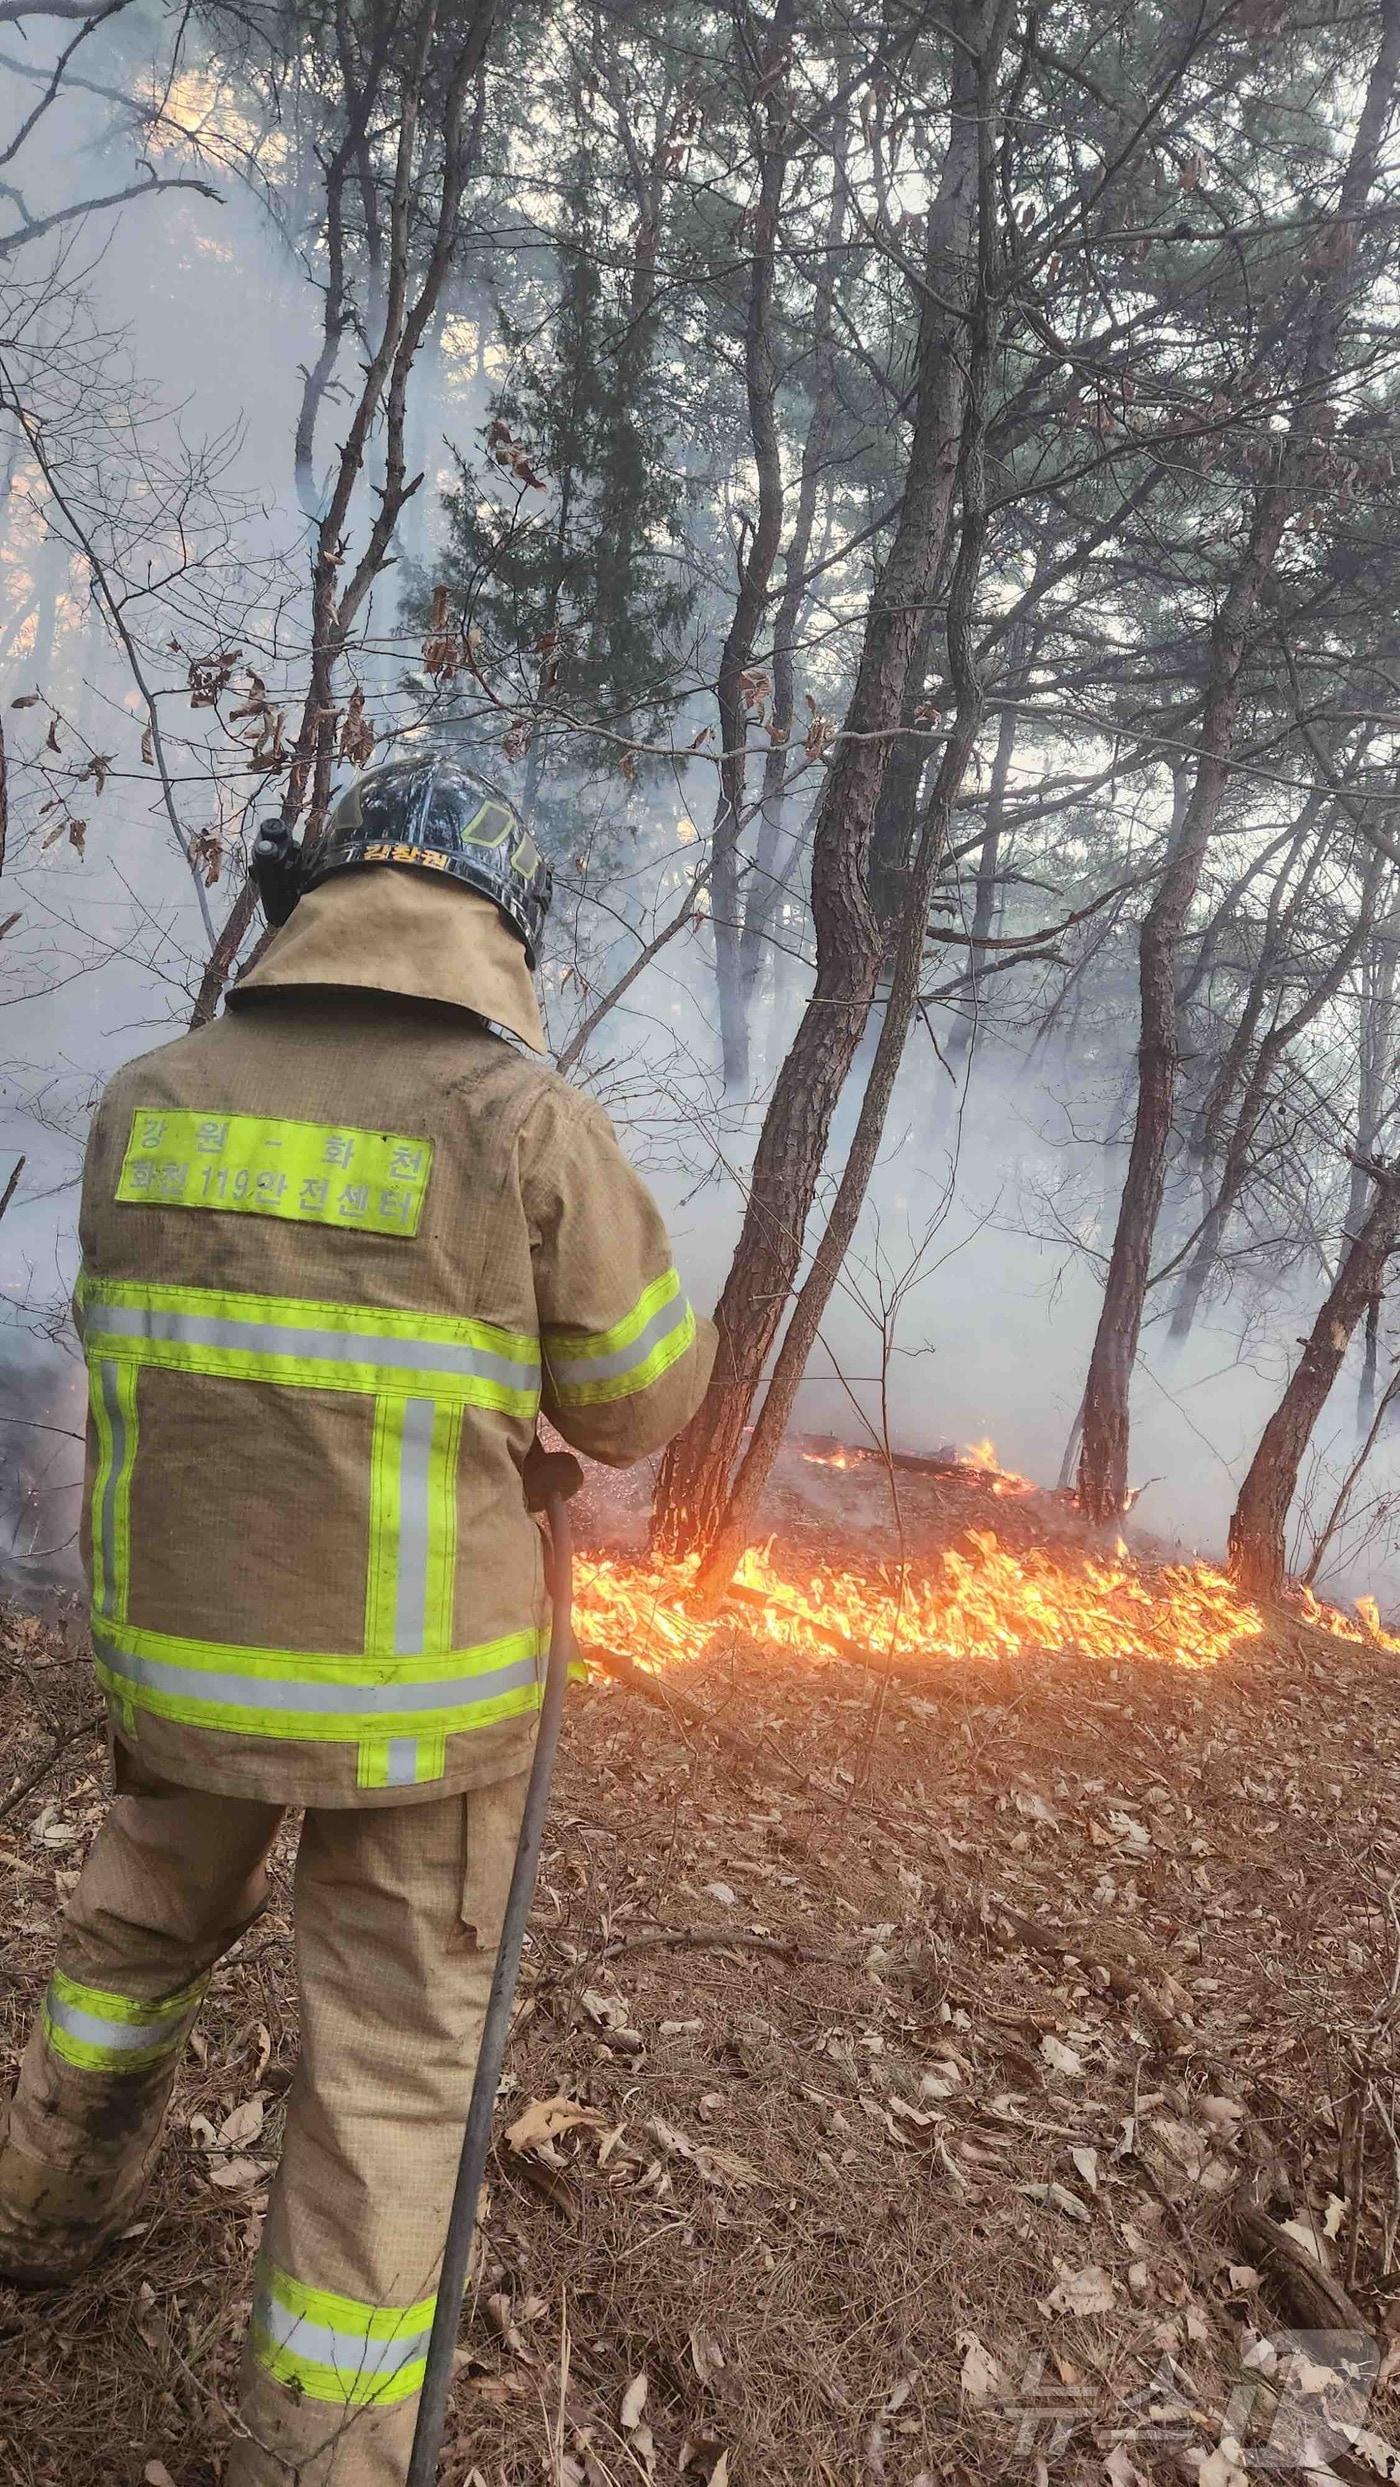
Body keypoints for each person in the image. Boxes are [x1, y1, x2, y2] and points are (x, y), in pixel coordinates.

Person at [0, 750, 716, 2484]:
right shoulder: (522, 1126)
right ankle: (317, 2454)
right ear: (499, 932)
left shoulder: (148, 1097)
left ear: (314, 898)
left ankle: (40, 2217)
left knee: (125, 1954)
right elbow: (640, 1405)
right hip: (417, 1710)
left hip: (183, 1664)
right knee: (390, 2074)